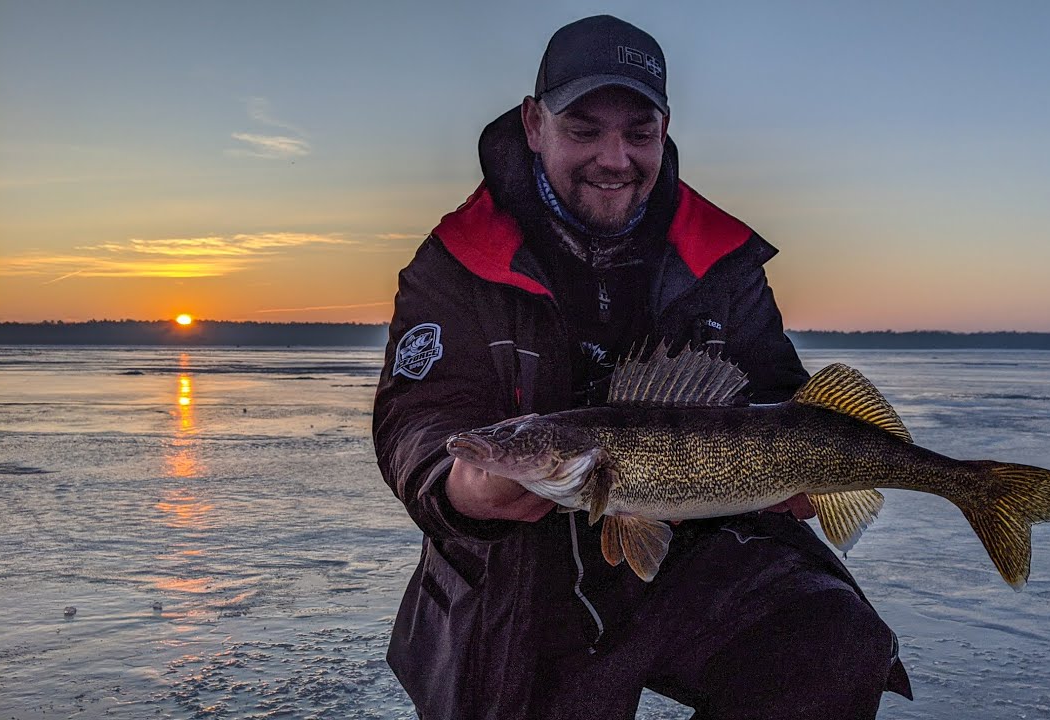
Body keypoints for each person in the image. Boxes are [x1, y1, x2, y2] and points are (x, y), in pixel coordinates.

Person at [373, 15, 911, 719]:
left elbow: (780, 395)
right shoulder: (459, 261)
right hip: (518, 577)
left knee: (830, 642)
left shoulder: (719, 258)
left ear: (666, 128)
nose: (615, 158)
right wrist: (460, 489)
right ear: (535, 124)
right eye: (584, 129)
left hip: (698, 551)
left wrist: (811, 478)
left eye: (639, 132)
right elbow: (418, 414)